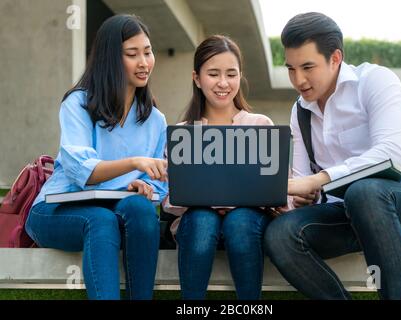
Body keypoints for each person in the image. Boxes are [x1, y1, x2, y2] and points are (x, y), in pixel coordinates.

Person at [264, 12, 401, 300]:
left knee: (363, 191)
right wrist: (294, 200)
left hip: (396, 212)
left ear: (335, 58)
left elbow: (391, 152)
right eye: (290, 68)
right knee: (279, 234)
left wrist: (320, 179)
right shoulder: (300, 110)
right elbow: (305, 183)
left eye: (307, 67)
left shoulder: (376, 81)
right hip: (342, 217)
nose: (298, 79)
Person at [25, 14, 168, 300]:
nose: (144, 62)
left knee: (141, 211)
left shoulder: (155, 119)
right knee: (100, 220)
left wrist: (141, 185)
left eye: (148, 52)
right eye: (132, 54)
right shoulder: (77, 103)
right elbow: (82, 171)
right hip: (54, 210)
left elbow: (159, 182)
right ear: (111, 59)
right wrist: (134, 163)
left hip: (115, 210)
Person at [163, 35, 274, 300]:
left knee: (239, 220)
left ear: (240, 77)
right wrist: (210, 201)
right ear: (197, 78)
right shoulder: (183, 133)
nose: (223, 83)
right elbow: (169, 196)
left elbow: (280, 187)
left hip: (248, 223)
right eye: (213, 74)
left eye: (231, 74)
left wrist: (237, 202)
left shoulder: (260, 124)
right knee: (203, 219)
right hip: (197, 224)